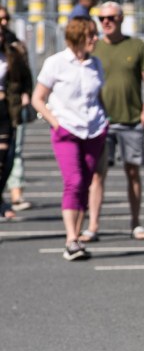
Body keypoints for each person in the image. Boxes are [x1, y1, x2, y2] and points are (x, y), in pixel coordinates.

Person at [31, 18, 107, 260]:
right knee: (73, 181)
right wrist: (56, 124)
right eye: (91, 35)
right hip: (66, 130)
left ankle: (77, 237)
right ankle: (71, 238)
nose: (96, 38)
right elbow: (38, 99)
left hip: (94, 130)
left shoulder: (95, 64)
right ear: (77, 37)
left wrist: (105, 122)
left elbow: (98, 97)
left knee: (85, 183)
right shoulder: (56, 63)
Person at [83, 1, 144, 242]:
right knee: (97, 175)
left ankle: (135, 222)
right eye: (102, 18)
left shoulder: (136, 45)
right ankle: (93, 225)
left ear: (121, 19)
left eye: (111, 18)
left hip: (132, 120)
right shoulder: (94, 48)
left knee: (132, 172)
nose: (106, 22)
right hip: (101, 122)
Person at [0, 10, 32, 220]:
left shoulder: (13, 53)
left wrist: (26, 95)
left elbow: (26, 78)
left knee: (8, 158)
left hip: (6, 110)